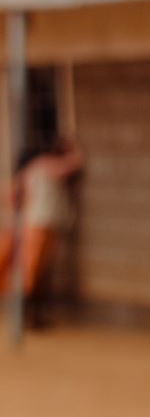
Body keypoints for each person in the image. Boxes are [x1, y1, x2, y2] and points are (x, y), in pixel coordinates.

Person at [2, 134, 81, 323]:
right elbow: (75, 163)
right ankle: (25, 313)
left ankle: (32, 313)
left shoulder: (35, 169)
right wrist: (74, 150)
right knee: (32, 271)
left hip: (44, 223)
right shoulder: (43, 165)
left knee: (39, 271)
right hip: (38, 223)